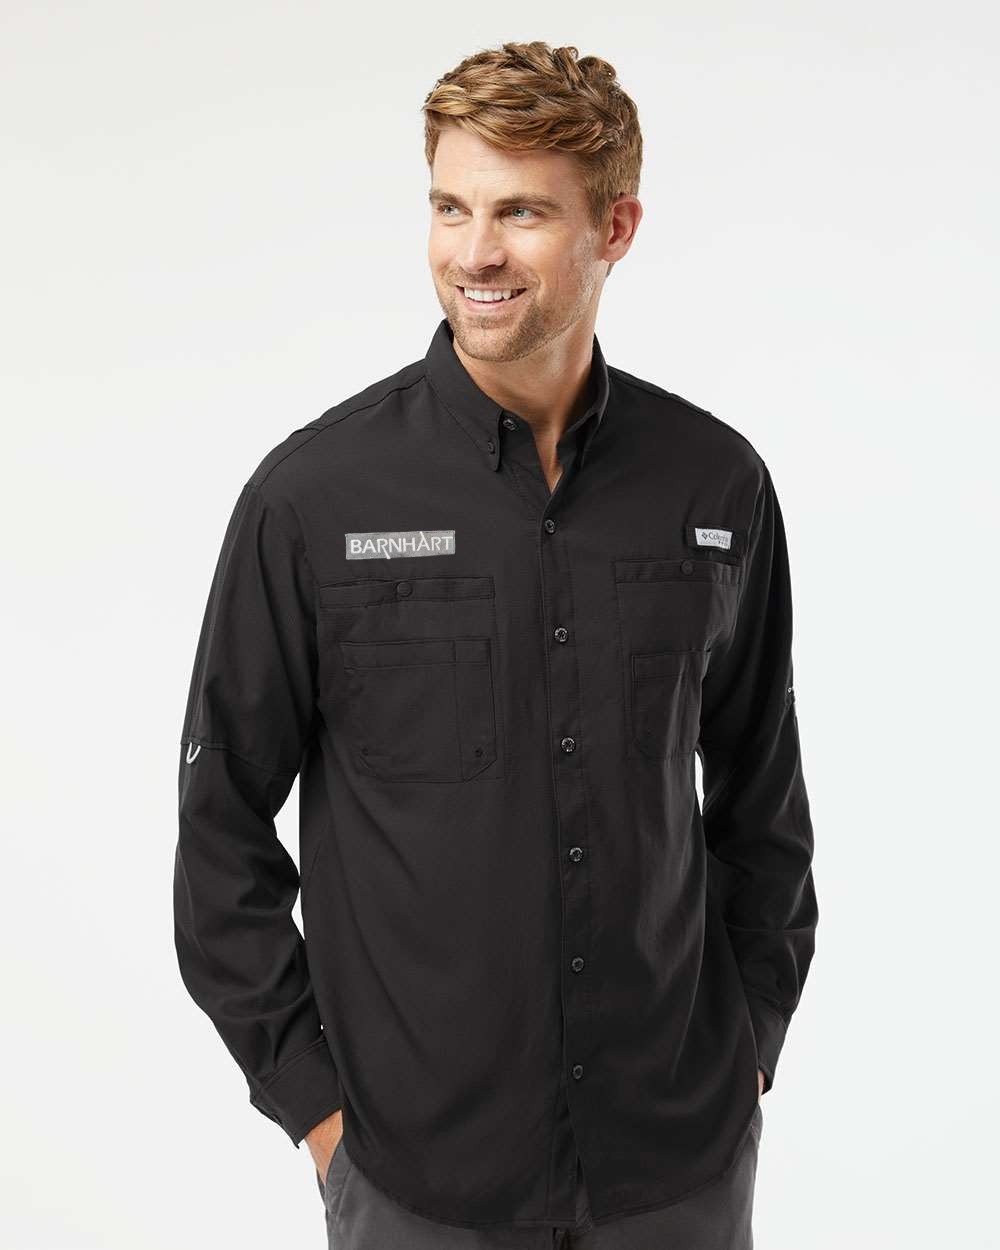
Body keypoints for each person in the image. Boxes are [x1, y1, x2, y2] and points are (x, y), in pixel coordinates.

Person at [173, 39, 818, 1249]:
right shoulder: (313, 499)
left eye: (521, 212)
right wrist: (317, 1109)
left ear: (615, 227)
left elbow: (761, 801)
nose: (473, 252)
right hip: (417, 1178)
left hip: (674, 1165)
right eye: (449, 207)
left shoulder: (716, 483)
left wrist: (750, 1051)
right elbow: (218, 831)